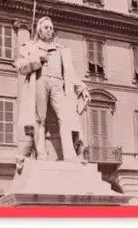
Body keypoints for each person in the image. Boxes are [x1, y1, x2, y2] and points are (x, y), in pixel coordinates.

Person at [15, 16, 91, 163]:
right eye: (46, 27)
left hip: (58, 83)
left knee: (65, 117)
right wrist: (37, 59)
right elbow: (20, 67)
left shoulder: (61, 50)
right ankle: (41, 154)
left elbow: (70, 73)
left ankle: (69, 154)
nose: (49, 30)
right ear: (39, 29)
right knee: (39, 119)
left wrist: (82, 88)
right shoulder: (31, 47)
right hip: (39, 80)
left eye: (51, 28)